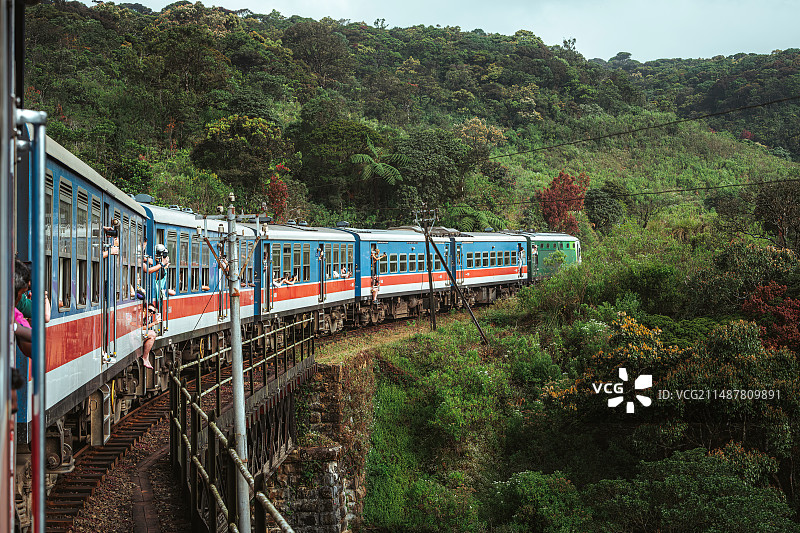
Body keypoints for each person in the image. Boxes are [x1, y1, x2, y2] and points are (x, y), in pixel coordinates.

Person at [141, 304, 158, 369]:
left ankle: (146, 359)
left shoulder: (146, 317)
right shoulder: (141, 315)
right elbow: (139, 327)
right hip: (132, 334)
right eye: (150, 310)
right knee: (152, 334)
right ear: (145, 309)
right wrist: (153, 323)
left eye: (153, 312)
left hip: (136, 334)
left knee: (152, 336)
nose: (151, 313)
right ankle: (145, 358)